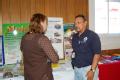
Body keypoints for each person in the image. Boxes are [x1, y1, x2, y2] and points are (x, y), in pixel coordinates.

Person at [20, 13, 59, 80]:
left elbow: (23, 50)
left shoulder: (24, 38)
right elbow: (55, 59)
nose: (47, 25)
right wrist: (54, 52)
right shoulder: (42, 39)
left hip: (28, 76)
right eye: (46, 23)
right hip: (42, 77)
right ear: (41, 23)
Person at [71, 14, 101, 80]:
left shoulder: (93, 36)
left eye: (78, 23)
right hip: (77, 69)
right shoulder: (74, 37)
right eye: (75, 23)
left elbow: (97, 54)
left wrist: (92, 70)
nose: (76, 25)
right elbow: (75, 52)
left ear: (85, 23)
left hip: (88, 69)